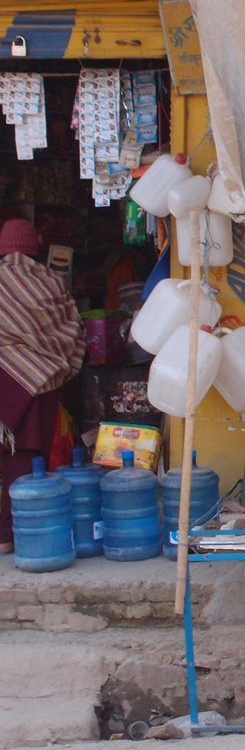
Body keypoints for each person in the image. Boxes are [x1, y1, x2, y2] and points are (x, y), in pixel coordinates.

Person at [0, 219, 86, 553]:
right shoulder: (51, 283)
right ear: (34, 248)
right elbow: (72, 330)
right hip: (38, 380)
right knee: (24, 459)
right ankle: (10, 535)